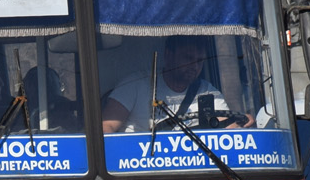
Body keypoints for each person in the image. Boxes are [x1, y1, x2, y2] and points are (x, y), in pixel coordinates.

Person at [102, 35, 251, 133]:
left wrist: (243, 123)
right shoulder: (135, 85)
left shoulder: (207, 92)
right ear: (168, 55)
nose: (195, 66)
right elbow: (106, 128)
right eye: (188, 58)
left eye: (199, 61)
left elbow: (229, 129)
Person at [23, 66, 81, 131]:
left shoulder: (64, 108)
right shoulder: (17, 112)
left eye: (50, 83)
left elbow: (77, 133)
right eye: (33, 85)